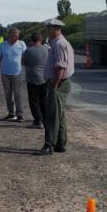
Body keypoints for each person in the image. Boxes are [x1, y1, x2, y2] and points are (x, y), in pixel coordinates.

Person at [37, 18, 75, 154]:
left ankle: (49, 145)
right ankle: (60, 143)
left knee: (52, 115)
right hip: (62, 83)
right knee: (60, 115)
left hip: (59, 83)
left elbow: (60, 67)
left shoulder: (59, 44)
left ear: (53, 29)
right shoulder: (60, 42)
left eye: (47, 28)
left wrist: (54, 85)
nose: (46, 31)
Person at [0, 27, 26, 122]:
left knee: (17, 94)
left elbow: (26, 57)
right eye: (14, 36)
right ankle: (11, 113)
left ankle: (20, 114)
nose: (16, 38)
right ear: (9, 36)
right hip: (5, 73)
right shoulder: (3, 45)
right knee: (8, 95)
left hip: (17, 73)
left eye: (17, 36)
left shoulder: (22, 44)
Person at [22, 32, 49, 128]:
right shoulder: (46, 50)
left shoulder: (28, 51)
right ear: (41, 40)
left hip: (32, 78)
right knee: (43, 100)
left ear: (31, 40)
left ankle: (38, 121)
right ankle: (45, 119)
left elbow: (23, 62)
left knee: (34, 100)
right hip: (44, 78)